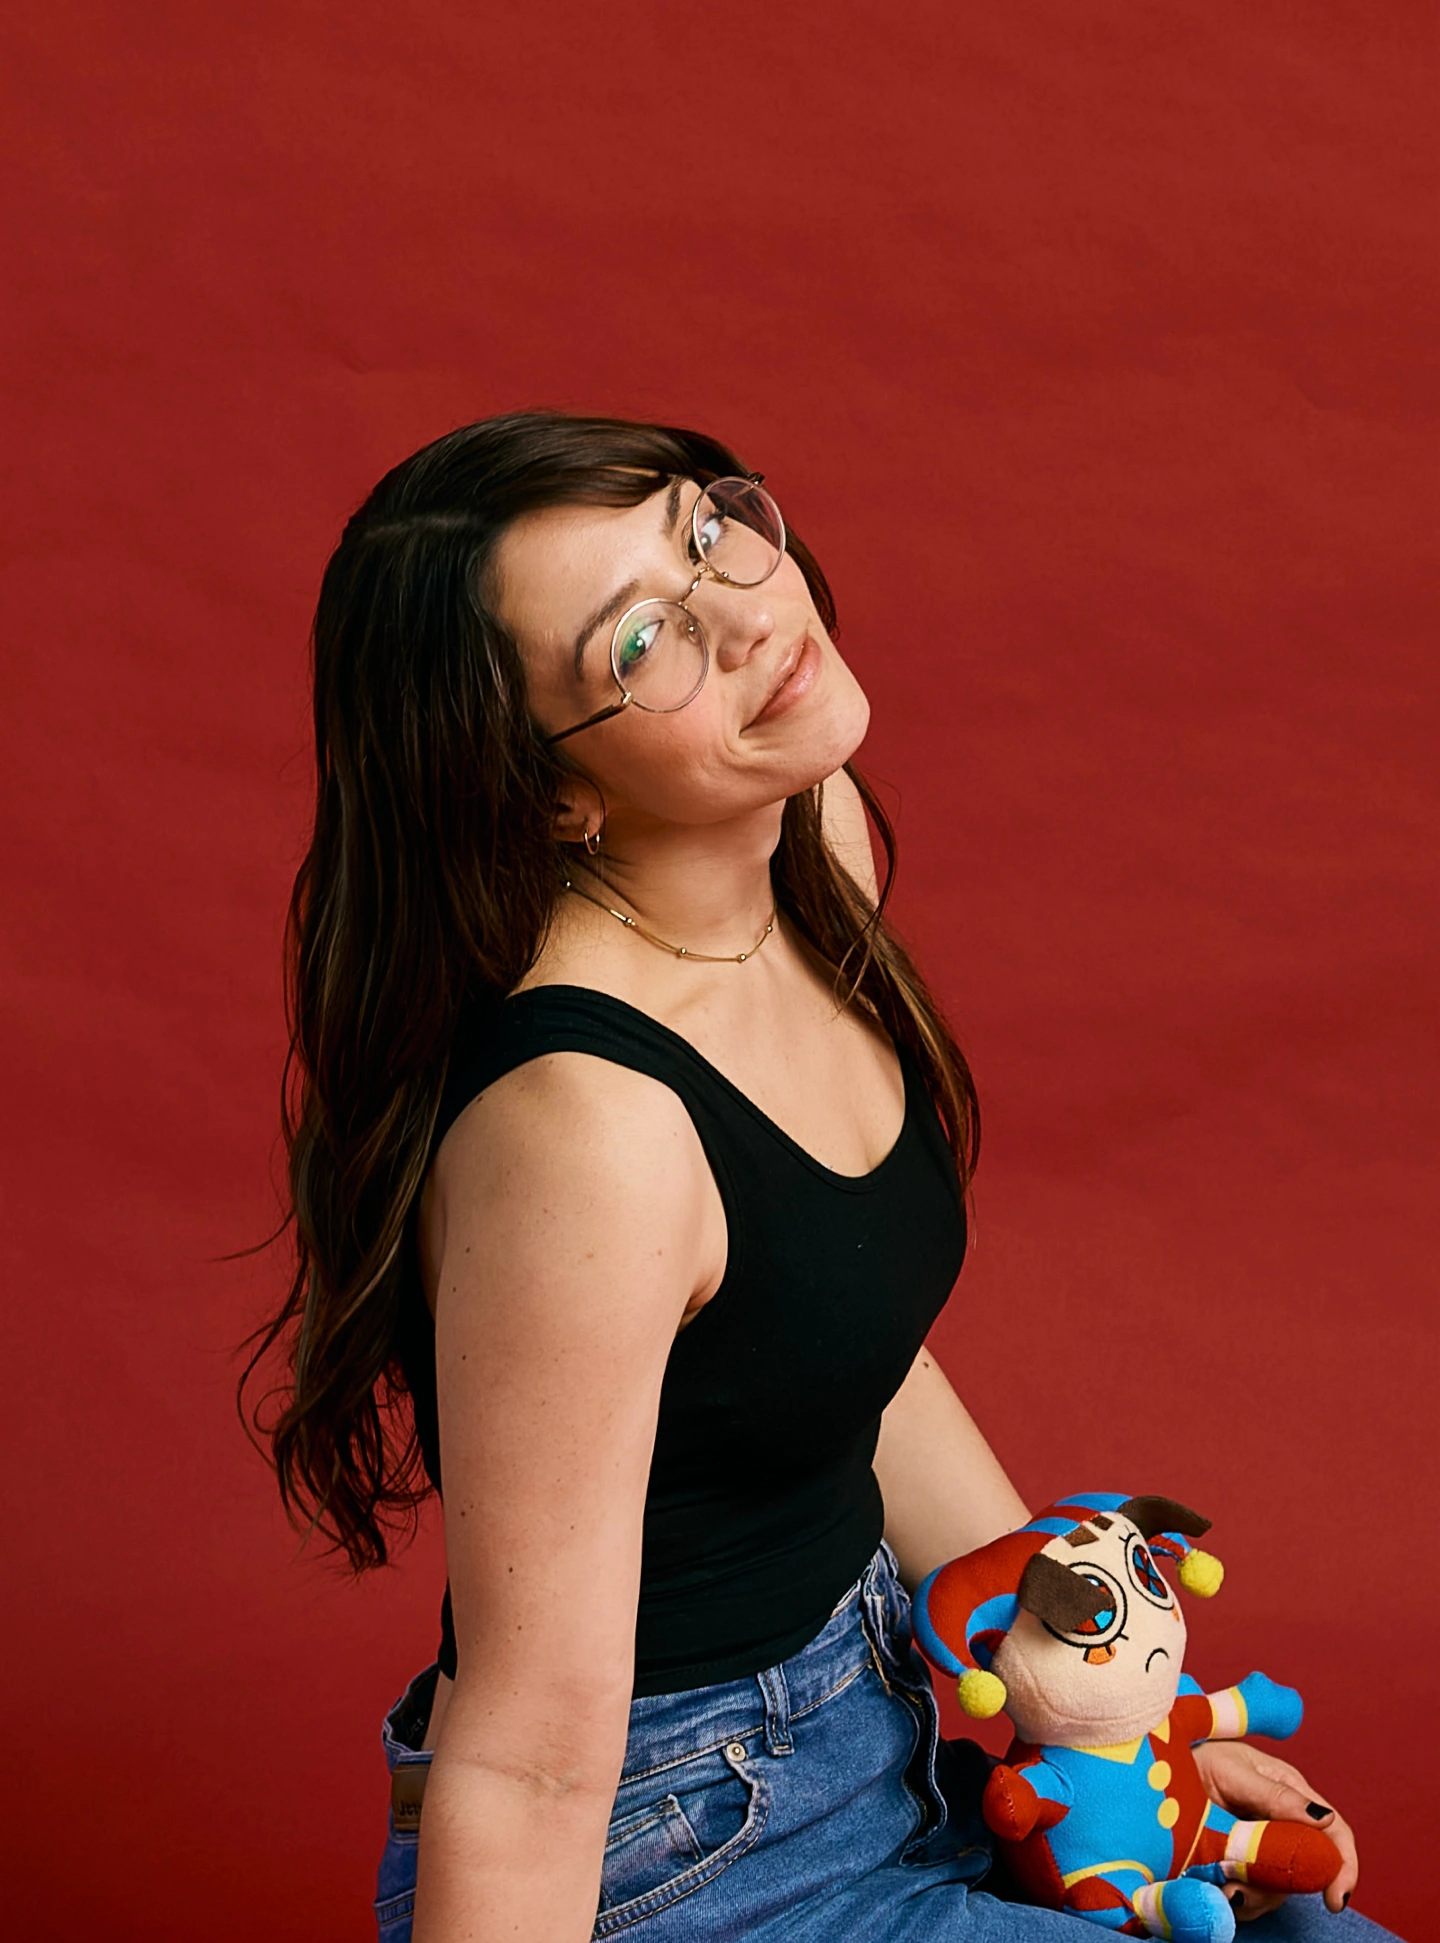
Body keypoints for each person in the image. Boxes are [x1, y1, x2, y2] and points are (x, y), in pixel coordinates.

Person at [249, 412, 1388, 1941]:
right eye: (640, 639)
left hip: (887, 1715)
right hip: (679, 1848)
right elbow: (526, 1764)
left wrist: (1116, 1725)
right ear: (549, 793)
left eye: (702, 527)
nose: (741, 611)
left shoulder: (810, 851)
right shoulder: (590, 1127)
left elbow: (839, 1347)